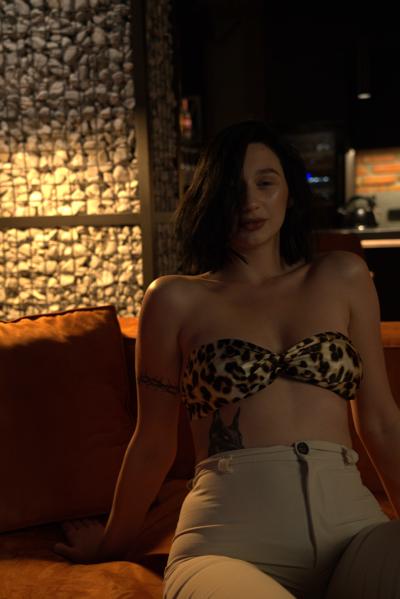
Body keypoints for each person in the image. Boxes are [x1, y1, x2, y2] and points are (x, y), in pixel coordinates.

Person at [54, 121, 400, 598]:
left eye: (265, 182)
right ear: (211, 199)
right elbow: (153, 442)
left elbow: (381, 422)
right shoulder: (173, 299)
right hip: (227, 543)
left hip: (353, 533)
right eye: (232, 188)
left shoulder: (342, 276)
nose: (249, 202)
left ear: (290, 194)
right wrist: (111, 543)